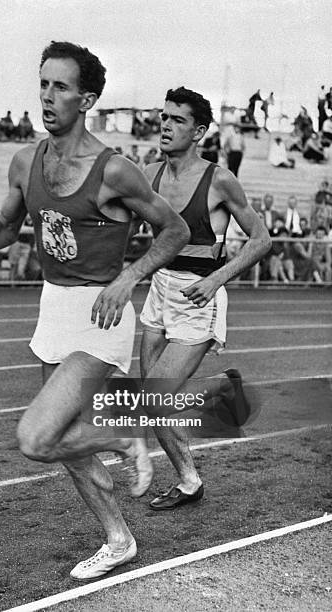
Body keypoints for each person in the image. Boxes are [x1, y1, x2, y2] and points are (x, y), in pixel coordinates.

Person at [0, 41, 189, 579]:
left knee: (37, 437)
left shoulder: (115, 170)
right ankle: (119, 538)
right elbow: (5, 233)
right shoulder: (25, 159)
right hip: (53, 307)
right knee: (70, 446)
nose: (47, 96)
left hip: (100, 315)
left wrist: (128, 279)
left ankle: (126, 437)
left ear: (87, 99)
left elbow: (175, 230)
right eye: (43, 84)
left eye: (60, 87)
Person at [137, 86, 270, 510]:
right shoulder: (149, 175)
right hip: (160, 292)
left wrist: (218, 281)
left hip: (198, 297)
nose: (166, 125)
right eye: (164, 116)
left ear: (198, 131)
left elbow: (261, 239)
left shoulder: (219, 180)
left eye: (177, 120)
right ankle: (189, 479)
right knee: (151, 400)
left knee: (156, 399)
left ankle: (223, 404)